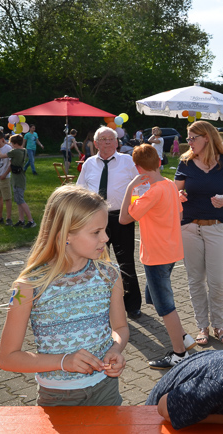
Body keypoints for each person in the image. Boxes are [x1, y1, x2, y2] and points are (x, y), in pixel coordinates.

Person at [0, 186, 129, 406]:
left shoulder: (110, 274)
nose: (106, 238)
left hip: (106, 389)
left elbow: (121, 328)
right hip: (58, 398)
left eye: (105, 229)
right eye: (96, 232)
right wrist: (63, 361)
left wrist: (115, 349)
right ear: (66, 234)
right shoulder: (27, 287)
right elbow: (7, 358)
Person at [119, 144, 195, 369]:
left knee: (165, 306)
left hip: (157, 255)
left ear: (138, 168)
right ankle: (184, 338)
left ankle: (179, 354)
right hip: (170, 252)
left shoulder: (151, 192)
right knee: (153, 296)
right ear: (159, 162)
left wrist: (130, 188)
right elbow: (178, 214)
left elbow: (123, 218)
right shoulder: (169, 184)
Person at [175, 120, 223, 346]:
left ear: (207, 137)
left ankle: (219, 325)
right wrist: (179, 195)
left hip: (218, 226)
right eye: (188, 138)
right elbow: (174, 191)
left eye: (193, 138)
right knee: (195, 280)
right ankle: (202, 326)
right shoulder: (185, 162)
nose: (189, 142)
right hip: (189, 227)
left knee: (217, 281)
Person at [76, 126, 142, 320]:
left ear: (117, 142)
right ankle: (102, 304)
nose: (107, 142)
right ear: (96, 143)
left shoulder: (127, 161)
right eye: (103, 139)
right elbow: (80, 189)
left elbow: (141, 186)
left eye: (111, 139)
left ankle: (132, 305)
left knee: (126, 263)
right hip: (95, 220)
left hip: (121, 218)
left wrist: (134, 210)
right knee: (97, 263)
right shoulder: (89, 163)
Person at [0, 134, 36, 228]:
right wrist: (7, 143)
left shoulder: (15, 152)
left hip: (18, 180)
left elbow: (2, 156)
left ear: (15, 144)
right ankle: (21, 220)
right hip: (20, 178)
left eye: (12, 143)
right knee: (18, 201)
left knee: (21, 201)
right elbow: (14, 147)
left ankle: (31, 221)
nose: (11, 145)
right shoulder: (23, 150)